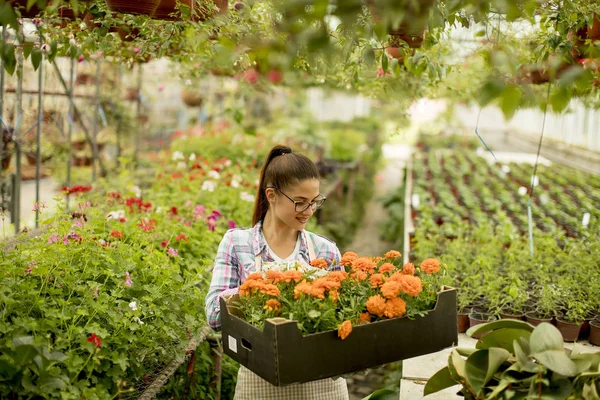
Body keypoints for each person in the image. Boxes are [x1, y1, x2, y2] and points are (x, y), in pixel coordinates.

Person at [205, 144, 349, 399]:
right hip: (260, 385)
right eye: (300, 202)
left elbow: (347, 317)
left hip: (323, 385)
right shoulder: (237, 245)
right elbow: (215, 317)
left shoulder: (326, 251)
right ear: (271, 195)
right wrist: (257, 288)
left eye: (315, 201)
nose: (309, 211)